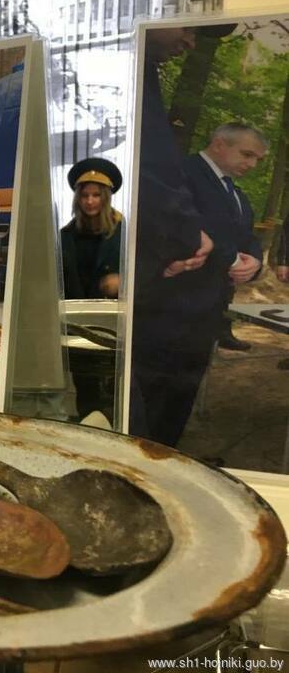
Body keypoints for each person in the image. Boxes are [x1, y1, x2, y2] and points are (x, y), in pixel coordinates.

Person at [129, 23, 237, 445]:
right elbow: (150, 175)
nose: (191, 42)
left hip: (196, 316)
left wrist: (245, 257)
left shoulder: (238, 194)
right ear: (220, 143)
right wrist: (190, 239)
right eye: (189, 27)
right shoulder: (188, 171)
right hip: (162, 307)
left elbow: (236, 234)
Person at [183, 123, 266, 356]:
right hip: (178, 303)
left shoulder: (236, 193)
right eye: (247, 155)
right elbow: (184, 226)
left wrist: (255, 262)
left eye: (257, 159)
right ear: (219, 144)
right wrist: (233, 260)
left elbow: (246, 235)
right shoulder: (181, 173)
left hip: (213, 306)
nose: (253, 164)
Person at [60, 158, 123, 300]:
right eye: (84, 195)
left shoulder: (124, 232)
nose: (89, 201)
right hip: (73, 311)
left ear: (106, 197)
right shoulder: (65, 235)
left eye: (96, 195)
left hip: (113, 311)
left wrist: (124, 281)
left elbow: (145, 272)